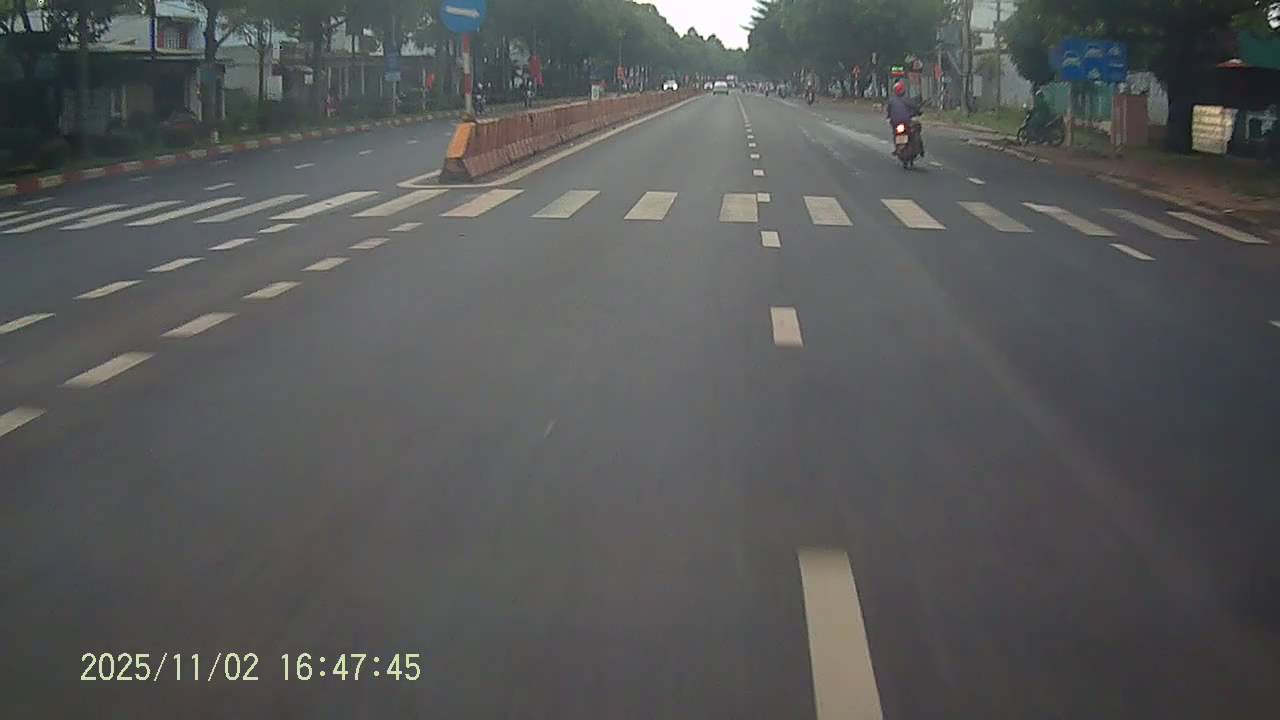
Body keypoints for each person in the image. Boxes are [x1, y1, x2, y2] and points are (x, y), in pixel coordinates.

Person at [886, 80, 923, 156]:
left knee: (896, 132)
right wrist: (918, 112)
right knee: (916, 127)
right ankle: (920, 148)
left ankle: (898, 148)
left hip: (896, 123)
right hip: (906, 121)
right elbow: (915, 107)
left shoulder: (891, 100)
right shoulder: (906, 99)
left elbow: (889, 111)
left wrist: (889, 117)